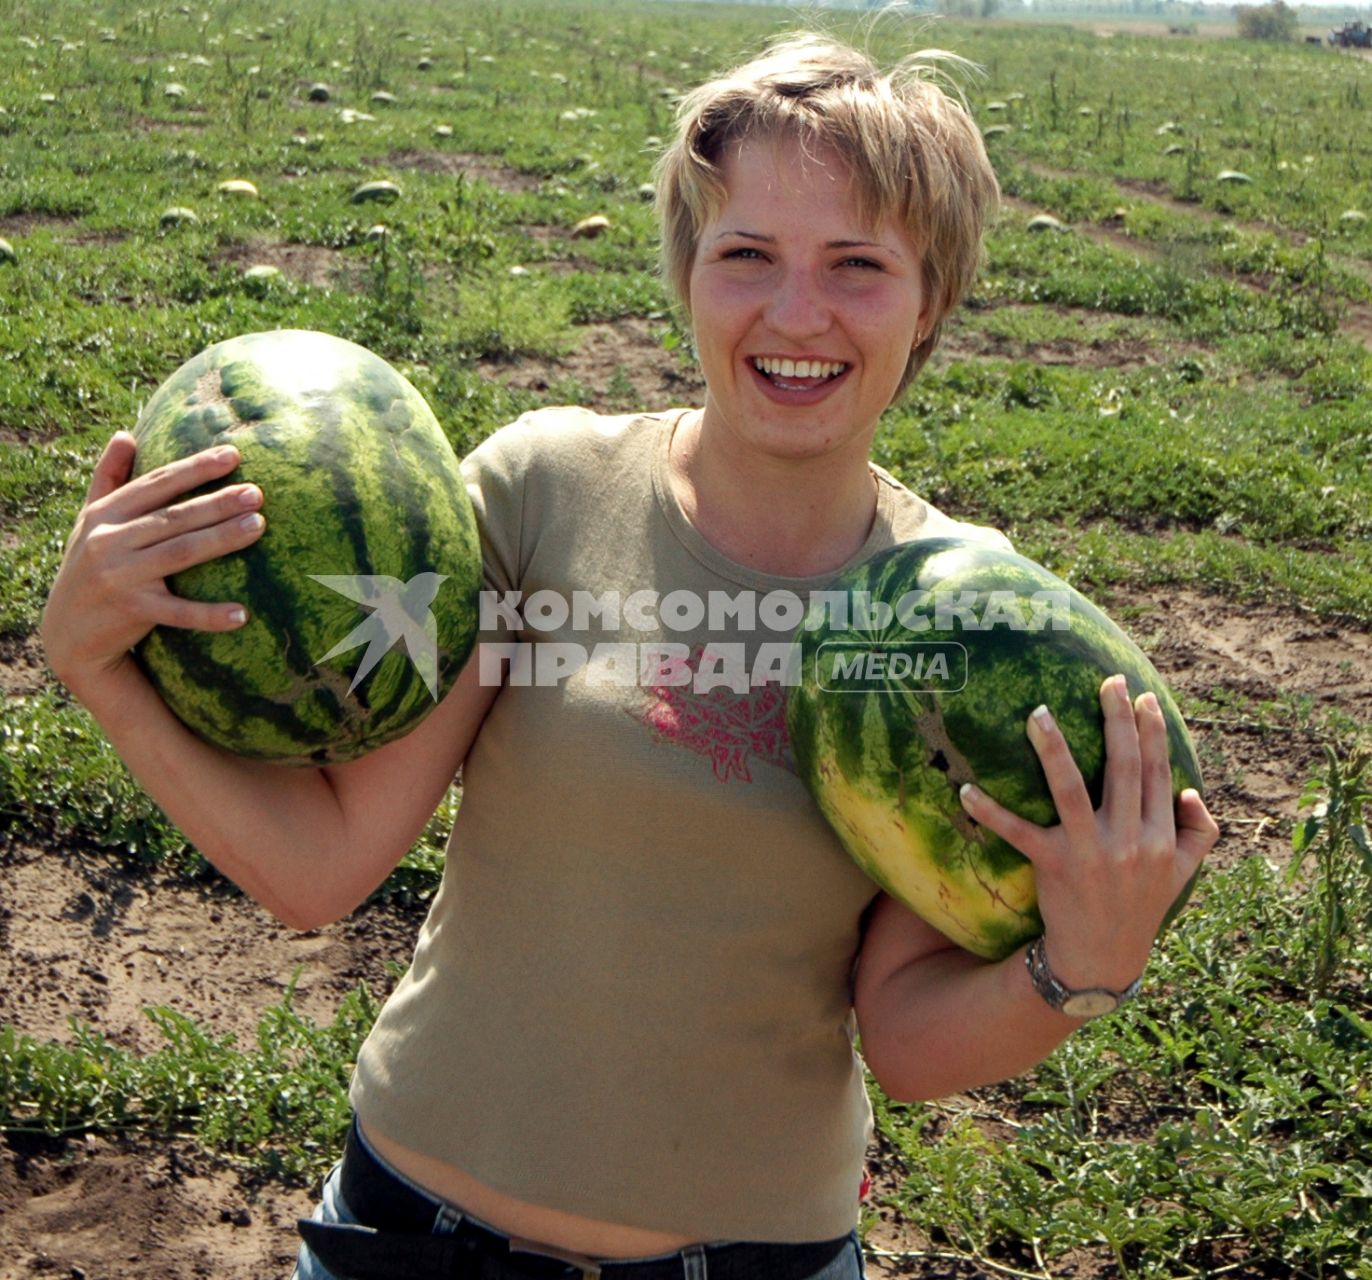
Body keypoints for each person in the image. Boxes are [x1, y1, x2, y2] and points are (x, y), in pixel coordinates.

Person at [40, 30, 1218, 1280]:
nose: (796, 312)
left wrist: (1080, 967)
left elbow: (911, 1043)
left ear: (929, 299)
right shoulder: (544, 489)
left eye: (857, 265)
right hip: (409, 1236)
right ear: (689, 272)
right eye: (746, 253)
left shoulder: (944, 624)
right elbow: (320, 866)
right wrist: (101, 669)